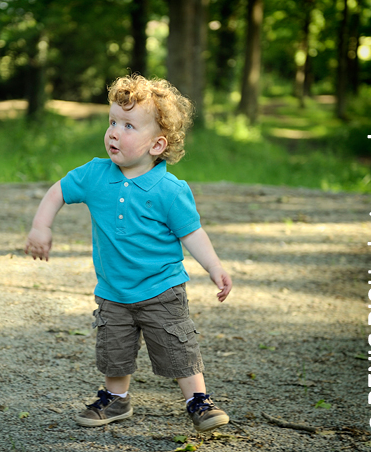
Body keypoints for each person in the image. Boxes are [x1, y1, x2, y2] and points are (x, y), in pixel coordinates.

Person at [24, 74, 232, 434]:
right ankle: (116, 398)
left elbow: (192, 233)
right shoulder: (95, 174)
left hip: (162, 290)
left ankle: (197, 399)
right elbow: (58, 191)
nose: (114, 133)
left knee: (177, 346)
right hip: (113, 291)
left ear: (157, 144)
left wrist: (214, 267)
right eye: (112, 122)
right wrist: (41, 226)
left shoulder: (169, 189)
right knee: (114, 349)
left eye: (129, 126)